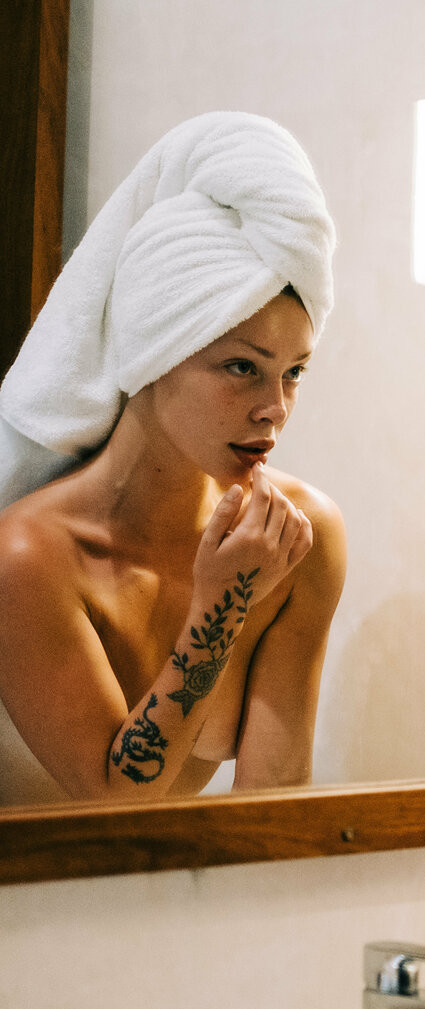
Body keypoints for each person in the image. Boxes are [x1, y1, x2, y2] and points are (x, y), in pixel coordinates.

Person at [0, 112, 345, 803]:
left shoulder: (296, 537)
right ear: (153, 353)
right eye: (242, 367)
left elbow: (274, 803)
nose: (274, 407)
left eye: (294, 372)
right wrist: (222, 606)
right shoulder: (31, 556)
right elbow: (118, 805)